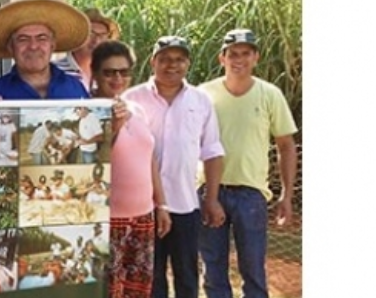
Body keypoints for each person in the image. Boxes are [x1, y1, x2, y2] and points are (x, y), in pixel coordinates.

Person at [120, 35, 226, 298]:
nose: (172, 65)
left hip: (185, 204)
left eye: (179, 59)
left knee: (187, 277)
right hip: (144, 207)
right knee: (150, 278)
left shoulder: (200, 101)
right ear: (153, 61)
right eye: (165, 59)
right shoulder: (131, 99)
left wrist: (212, 199)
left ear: (188, 64)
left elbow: (212, 151)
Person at [197, 28, 299, 298]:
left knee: (253, 268)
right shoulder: (202, 94)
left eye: (245, 53)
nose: (238, 59)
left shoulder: (270, 94)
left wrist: (287, 196)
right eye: (232, 54)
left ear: (256, 57)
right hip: (209, 191)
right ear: (222, 58)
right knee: (213, 268)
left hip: (251, 195)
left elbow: (286, 146)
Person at [91, 40, 172, 298]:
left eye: (124, 71)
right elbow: (90, 161)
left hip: (143, 219)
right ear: (94, 73)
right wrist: (112, 127)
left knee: (138, 290)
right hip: (108, 221)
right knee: (108, 291)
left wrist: (161, 204)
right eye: (109, 72)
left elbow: (149, 160)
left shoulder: (136, 109)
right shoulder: (86, 112)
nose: (118, 78)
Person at [0, 0, 91, 100]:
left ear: (52, 45)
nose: (33, 46)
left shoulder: (75, 87)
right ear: (11, 47)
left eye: (42, 38)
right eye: (23, 39)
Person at [53, 7, 121, 93]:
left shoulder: (106, 73)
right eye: (91, 34)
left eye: (102, 36)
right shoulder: (55, 70)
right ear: (77, 36)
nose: (96, 41)